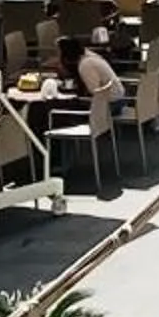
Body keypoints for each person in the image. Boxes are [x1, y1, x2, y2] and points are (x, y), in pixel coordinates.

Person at [57, 31, 123, 201]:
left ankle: (61, 164)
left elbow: (94, 93)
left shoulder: (85, 65)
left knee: (61, 119)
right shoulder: (90, 56)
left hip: (109, 105)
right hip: (114, 100)